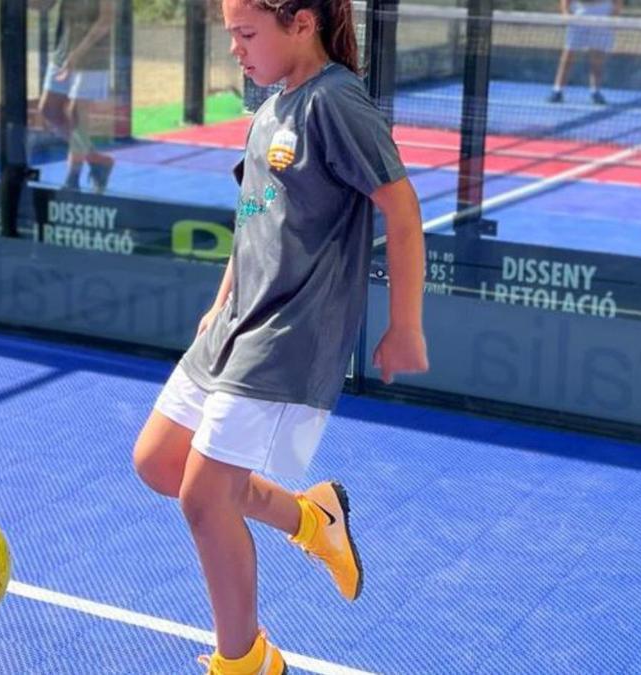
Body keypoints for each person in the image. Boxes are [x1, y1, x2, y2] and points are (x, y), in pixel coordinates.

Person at [131, 0, 430, 670]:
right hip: (234, 328)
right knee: (157, 460)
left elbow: (402, 209)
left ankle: (246, 662)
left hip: (288, 336)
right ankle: (311, 519)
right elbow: (253, 221)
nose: (234, 48)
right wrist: (219, 303)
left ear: (302, 24)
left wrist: (404, 323)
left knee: (205, 500)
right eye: (229, 34)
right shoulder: (270, 107)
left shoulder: (336, 102)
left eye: (245, 33)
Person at [35, 0, 116, 193]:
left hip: (92, 56)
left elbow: (107, 19)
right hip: (63, 51)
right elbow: (44, 4)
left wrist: (78, 54)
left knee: (76, 115)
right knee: (49, 110)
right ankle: (97, 160)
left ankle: (72, 180)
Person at [548, 0, 622, 105]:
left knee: (597, 55)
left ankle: (595, 91)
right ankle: (557, 90)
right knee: (569, 52)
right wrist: (565, 12)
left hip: (603, 10)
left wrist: (615, 14)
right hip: (579, 10)